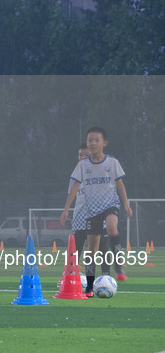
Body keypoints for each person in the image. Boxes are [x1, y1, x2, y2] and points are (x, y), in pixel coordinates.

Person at [61, 127, 132, 297]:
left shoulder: (112, 162)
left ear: (104, 143)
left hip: (110, 205)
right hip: (92, 212)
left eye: (96, 140)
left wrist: (126, 204)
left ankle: (118, 265)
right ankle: (89, 287)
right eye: (90, 140)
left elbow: (120, 184)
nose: (93, 143)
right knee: (91, 250)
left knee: (112, 227)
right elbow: (74, 188)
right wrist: (65, 209)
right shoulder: (82, 166)